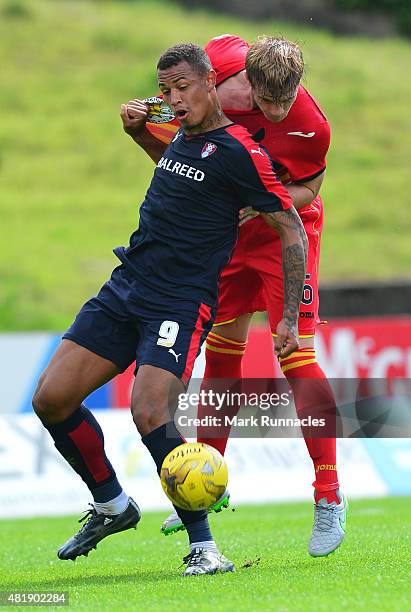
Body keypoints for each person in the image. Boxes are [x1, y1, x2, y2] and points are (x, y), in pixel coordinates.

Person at [32, 43, 307, 576]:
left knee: (150, 412)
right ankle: (112, 504)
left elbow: (290, 225)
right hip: (125, 286)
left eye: (183, 88)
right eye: (166, 92)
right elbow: (181, 173)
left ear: (211, 82)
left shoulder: (239, 151)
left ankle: (204, 549)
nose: (174, 100)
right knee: (51, 400)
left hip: (178, 301)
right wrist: (140, 131)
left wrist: (290, 318)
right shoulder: (183, 135)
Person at [121, 35, 347, 558]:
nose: (277, 110)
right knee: (223, 351)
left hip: (285, 232)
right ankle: (208, 484)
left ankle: (329, 495)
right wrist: (146, 117)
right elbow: (179, 143)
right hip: (229, 233)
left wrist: (259, 201)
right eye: (266, 101)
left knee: (296, 351)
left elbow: (309, 189)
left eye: (286, 100)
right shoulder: (217, 66)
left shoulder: (312, 124)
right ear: (240, 78)